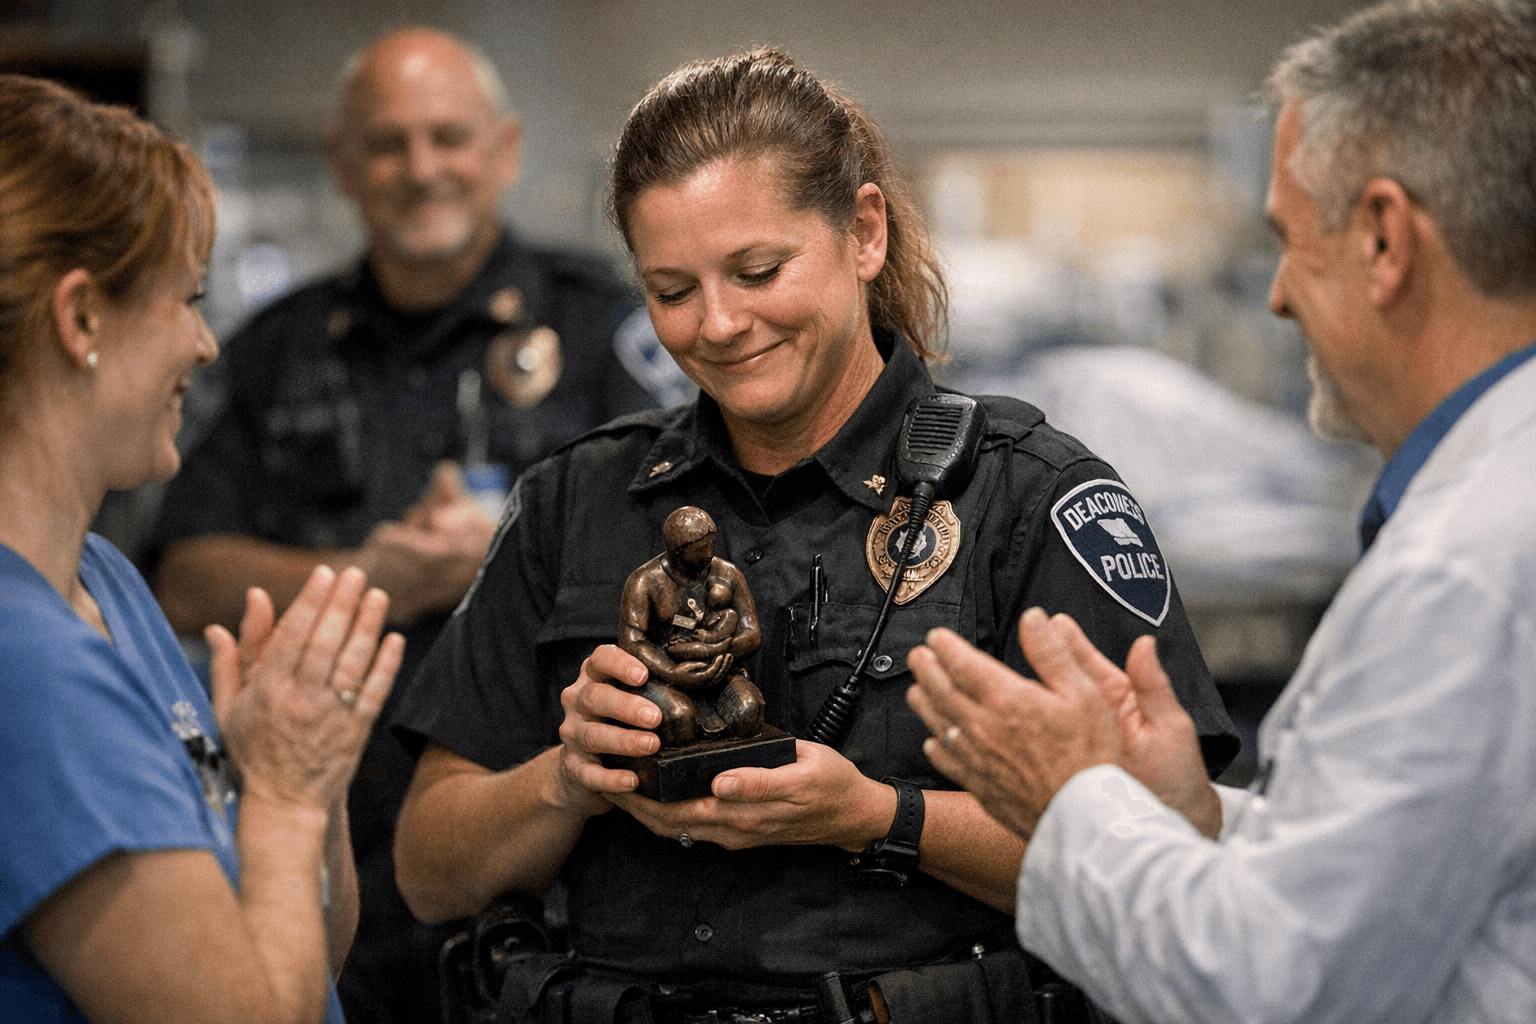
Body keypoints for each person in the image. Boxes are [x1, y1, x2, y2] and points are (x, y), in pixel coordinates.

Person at [391, 47, 1237, 1024]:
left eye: (758, 271)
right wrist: (568, 776)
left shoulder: (1025, 497)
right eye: (671, 289)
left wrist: (881, 817)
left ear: (864, 230)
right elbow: (426, 872)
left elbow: (1170, 874)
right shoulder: (575, 500)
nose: (718, 323)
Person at [906, 2, 1536, 1022]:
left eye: (1292, 239)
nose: (1278, 295)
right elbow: (1388, 887)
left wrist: (1072, 799)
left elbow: (1268, 985)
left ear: (1384, 238)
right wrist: (1190, 816)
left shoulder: (1464, 571)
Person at [147, 27, 677, 1024]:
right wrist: (366, 572)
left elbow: (699, 554)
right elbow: (184, 572)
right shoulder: (276, 350)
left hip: (552, 862)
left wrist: (514, 557)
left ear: (503, 151)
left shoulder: (609, 331)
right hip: (332, 851)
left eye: (448, 137)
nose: (421, 168)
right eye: (387, 144)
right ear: (344, 163)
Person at [0, 74, 404, 1024]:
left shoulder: (103, 583)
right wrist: (287, 793)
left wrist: (308, 780)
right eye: (186, 299)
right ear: (81, 319)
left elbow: (305, 966)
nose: (206, 344)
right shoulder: (26, 669)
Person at [618, 506, 764, 745]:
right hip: (668, 675)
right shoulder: (644, 581)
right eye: (701, 549)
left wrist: (713, 652)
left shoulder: (728, 573)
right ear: (678, 551)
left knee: (749, 710)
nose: (710, 553)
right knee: (680, 720)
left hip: (718, 669)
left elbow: (752, 634)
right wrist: (671, 672)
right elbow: (632, 642)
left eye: (712, 544)